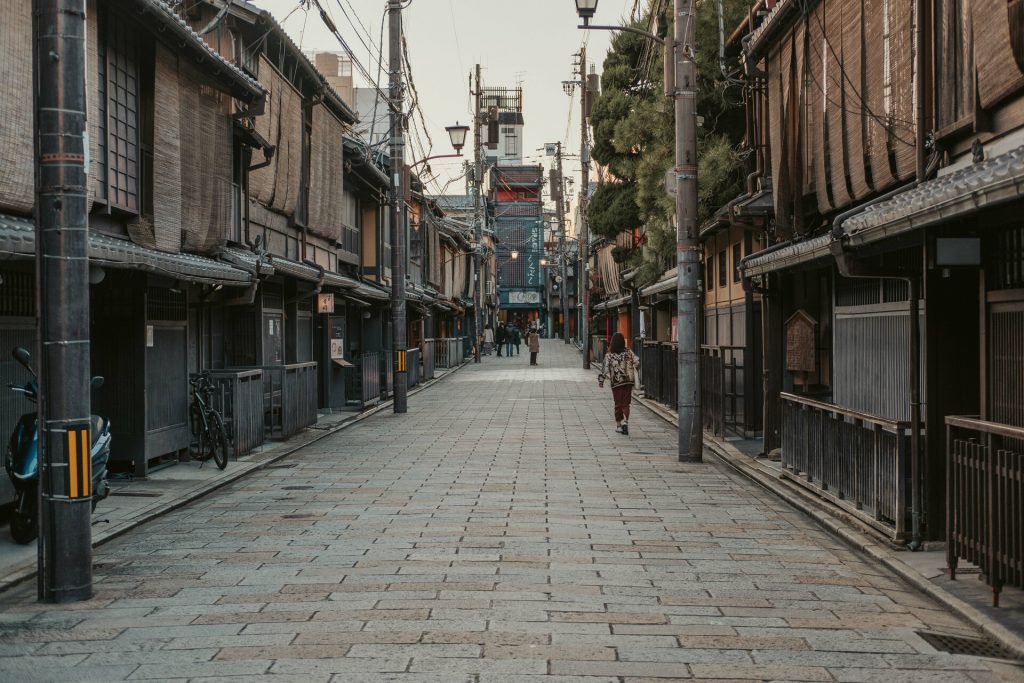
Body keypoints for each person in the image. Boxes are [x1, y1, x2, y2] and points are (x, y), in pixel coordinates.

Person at [598, 332, 640, 435]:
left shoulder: (609, 355)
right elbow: (637, 361)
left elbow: (605, 369)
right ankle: (625, 422)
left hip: (616, 382)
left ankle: (619, 425)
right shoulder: (629, 352)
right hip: (628, 381)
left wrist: (601, 380)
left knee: (618, 404)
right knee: (626, 403)